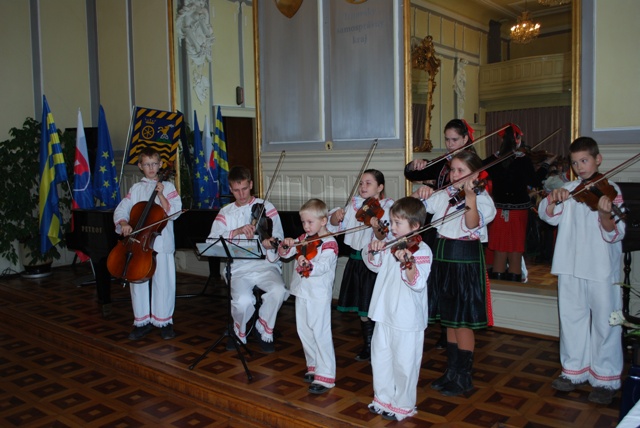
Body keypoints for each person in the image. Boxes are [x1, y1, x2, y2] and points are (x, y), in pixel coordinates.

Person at [538, 137, 625, 405]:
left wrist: (603, 216)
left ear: (598, 159)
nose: (580, 167)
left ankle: (605, 377)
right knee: (571, 318)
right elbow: (547, 214)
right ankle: (573, 370)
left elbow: (616, 232)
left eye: (584, 161)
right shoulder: (570, 189)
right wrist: (553, 198)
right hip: (570, 265)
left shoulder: (611, 190)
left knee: (605, 323)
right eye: (575, 163)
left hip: (600, 268)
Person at [413, 150, 496, 397]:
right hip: (443, 257)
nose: (455, 175)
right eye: (453, 170)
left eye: (461, 171)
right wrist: (421, 193)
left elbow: (472, 224)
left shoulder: (483, 199)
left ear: (476, 174)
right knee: (449, 318)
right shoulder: (445, 194)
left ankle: (464, 376)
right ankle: (451, 371)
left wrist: (470, 196)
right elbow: (419, 208)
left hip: (464, 260)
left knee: (463, 322)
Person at [405, 118, 476, 348]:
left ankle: (458, 361)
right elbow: (412, 178)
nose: (449, 143)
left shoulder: (475, 172)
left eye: (454, 139)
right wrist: (417, 171)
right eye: (446, 139)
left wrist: (470, 195)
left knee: (458, 307)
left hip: (462, 246)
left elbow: (473, 220)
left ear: (466, 139)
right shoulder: (445, 168)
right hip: (442, 238)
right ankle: (448, 345)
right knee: (443, 294)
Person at [363, 197, 432, 422]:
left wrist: (408, 263)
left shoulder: (422, 250)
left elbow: (417, 282)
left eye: (397, 223)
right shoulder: (390, 244)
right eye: (391, 222)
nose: (391, 228)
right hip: (384, 311)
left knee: (405, 363)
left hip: (407, 317)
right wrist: (374, 249)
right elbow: (374, 265)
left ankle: (403, 404)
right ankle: (382, 398)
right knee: (381, 357)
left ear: (415, 226)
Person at [207, 166, 289, 353]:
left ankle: (263, 328)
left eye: (244, 188)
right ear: (230, 189)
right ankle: (239, 331)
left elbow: (278, 236)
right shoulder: (225, 212)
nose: (241, 194)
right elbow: (212, 240)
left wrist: (270, 243)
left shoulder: (266, 207)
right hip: (238, 267)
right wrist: (236, 231)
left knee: (278, 290)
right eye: (236, 190)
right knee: (243, 300)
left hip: (265, 265)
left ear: (251, 184)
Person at [113, 147, 182, 340]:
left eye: (154, 164)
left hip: (161, 243)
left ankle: (164, 321)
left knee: (164, 282)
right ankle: (141, 321)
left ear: (160, 165)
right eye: (147, 164)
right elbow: (122, 209)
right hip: (139, 244)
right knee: (138, 280)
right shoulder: (136, 189)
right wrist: (124, 223)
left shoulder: (168, 187)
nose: (151, 168)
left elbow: (174, 212)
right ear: (140, 167)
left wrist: (160, 194)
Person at [327, 169, 393, 361]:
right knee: (362, 308)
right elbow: (333, 225)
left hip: (374, 262)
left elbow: (384, 235)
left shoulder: (387, 207)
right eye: (361, 183)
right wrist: (336, 216)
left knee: (375, 306)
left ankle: (382, 346)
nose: (363, 187)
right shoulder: (354, 205)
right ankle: (369, 345)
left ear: (380, 187)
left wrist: (375, 225)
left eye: (369, 183)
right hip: (356, 260)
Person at [277, 199, 339, 395]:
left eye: (310, 222)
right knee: (304, 331)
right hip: (301, 292)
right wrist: (287, 244)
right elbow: (285, 255)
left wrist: (308, 263)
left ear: (323, 221)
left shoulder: (330, 243)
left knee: (320, 333)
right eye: (303, 222)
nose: (305, 226)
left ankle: (326, 375)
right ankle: (313, 365)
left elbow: (323, 266)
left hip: (318, 294)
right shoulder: (304, 238)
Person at [485, 124, 555, 282]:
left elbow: (479, 169)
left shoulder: (494, 160)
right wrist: (546, 164)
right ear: (517, 139)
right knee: (515, 248)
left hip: (499, 209)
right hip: (519, 210)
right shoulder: (523, 160)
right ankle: (515, 278)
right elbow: (535, 181)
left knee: (500, 248)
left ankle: (499, 278)